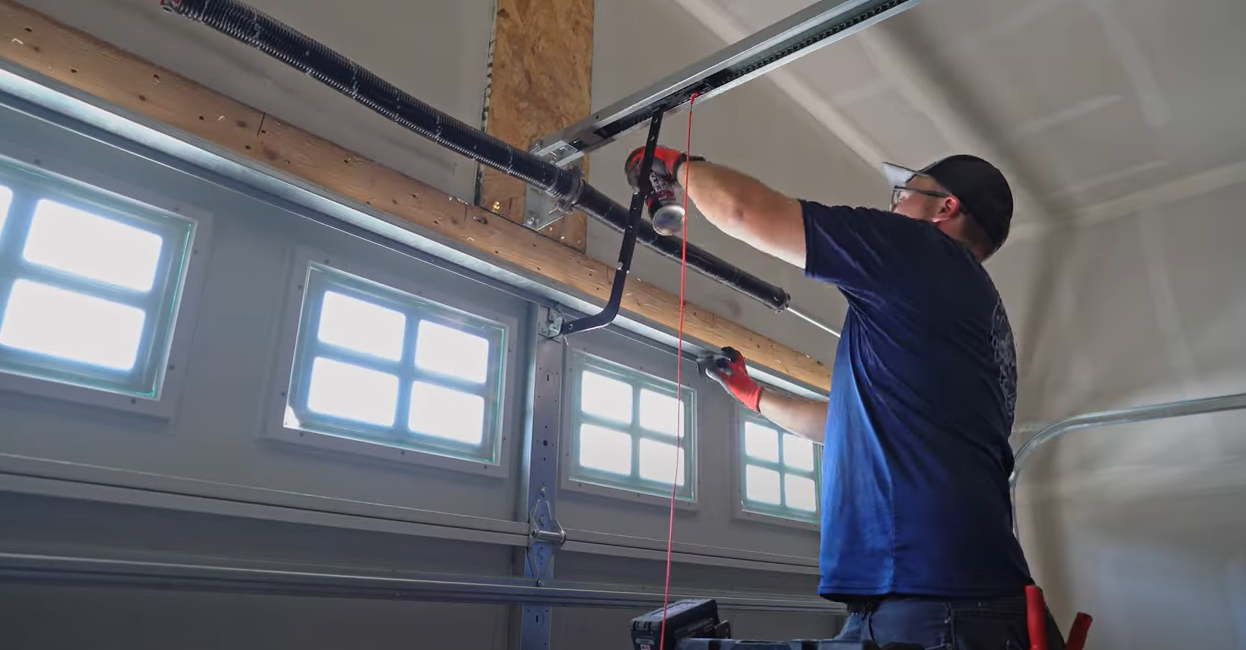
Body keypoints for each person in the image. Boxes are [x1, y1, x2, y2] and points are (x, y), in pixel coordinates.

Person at [625, 148, 1065, 649]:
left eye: (904, 195)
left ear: (944, 208)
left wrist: (675, 163)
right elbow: (842, 424)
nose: (895, 207)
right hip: (956, 603)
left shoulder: (922, 251)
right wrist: (754, 396)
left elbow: (746, 212)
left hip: (934, 603)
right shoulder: (975, 316)